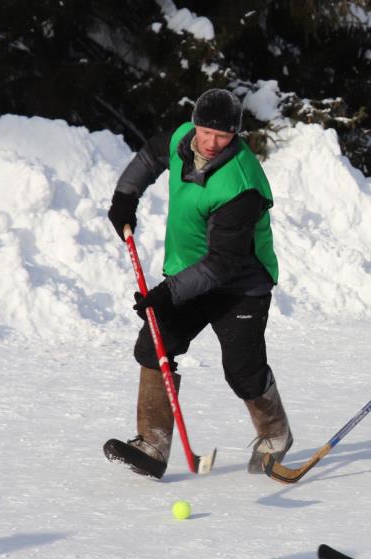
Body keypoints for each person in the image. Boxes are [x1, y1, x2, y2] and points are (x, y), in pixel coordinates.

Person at [103, 88, 292, 479]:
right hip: (188, 273)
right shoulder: (181, 140)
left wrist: (165, 295)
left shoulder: (242, 184)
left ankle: (275, 435)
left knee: (243, 370)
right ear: (195, 125)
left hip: (239, 285)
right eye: (205, 131)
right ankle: (152, 445)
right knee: (155, 345)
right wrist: (126, 196)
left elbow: (223, 264)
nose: (210, 142)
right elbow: (150, 157)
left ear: (236, 136)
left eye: (222, 136)